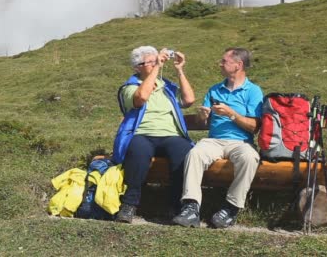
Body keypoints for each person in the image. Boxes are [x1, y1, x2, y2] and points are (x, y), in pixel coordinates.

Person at [172, 47, 263, 229]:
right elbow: (202, 122)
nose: (219, 64)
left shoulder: (253, 91)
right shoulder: (215, 90)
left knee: (250, 157)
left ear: (238, 65)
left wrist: (231, 114)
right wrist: (203, 116)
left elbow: (254, 127)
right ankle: (191, 207)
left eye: (224, 61)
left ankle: (231, 208)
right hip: (214, 140)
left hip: (240, 141)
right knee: (195, 154)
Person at [112, 46, 195, 223]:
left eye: (155, 60)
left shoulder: (168, 87)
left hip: (171, 135)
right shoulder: (129, 87)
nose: (155, 64)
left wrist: (180, 70)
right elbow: (141, 97)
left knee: (185, 153)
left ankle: (177, 207)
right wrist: (157, 67)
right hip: (142, 134)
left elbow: (188, 100)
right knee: (138, 152)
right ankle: (129, 205)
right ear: (137, 67)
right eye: (149, 62)